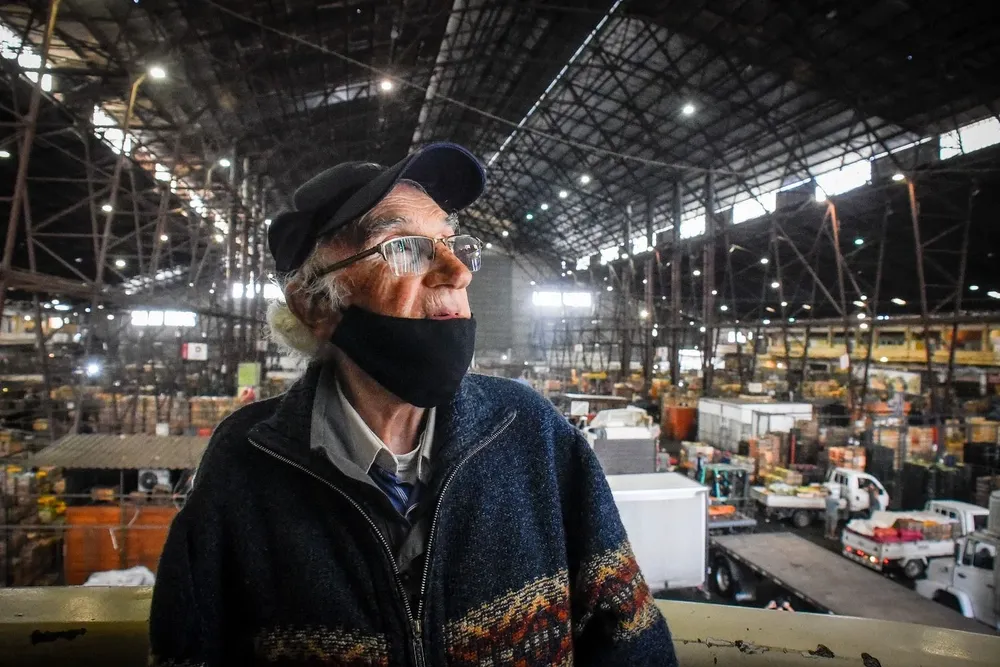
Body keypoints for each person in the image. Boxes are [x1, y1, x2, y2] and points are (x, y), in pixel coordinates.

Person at [149, 143, 676, 666]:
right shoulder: (246, 462)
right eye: (405, 247)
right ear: (315, 304)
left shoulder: (529, 431)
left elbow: (627, 633)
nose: (459, 271)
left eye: (454, 244)